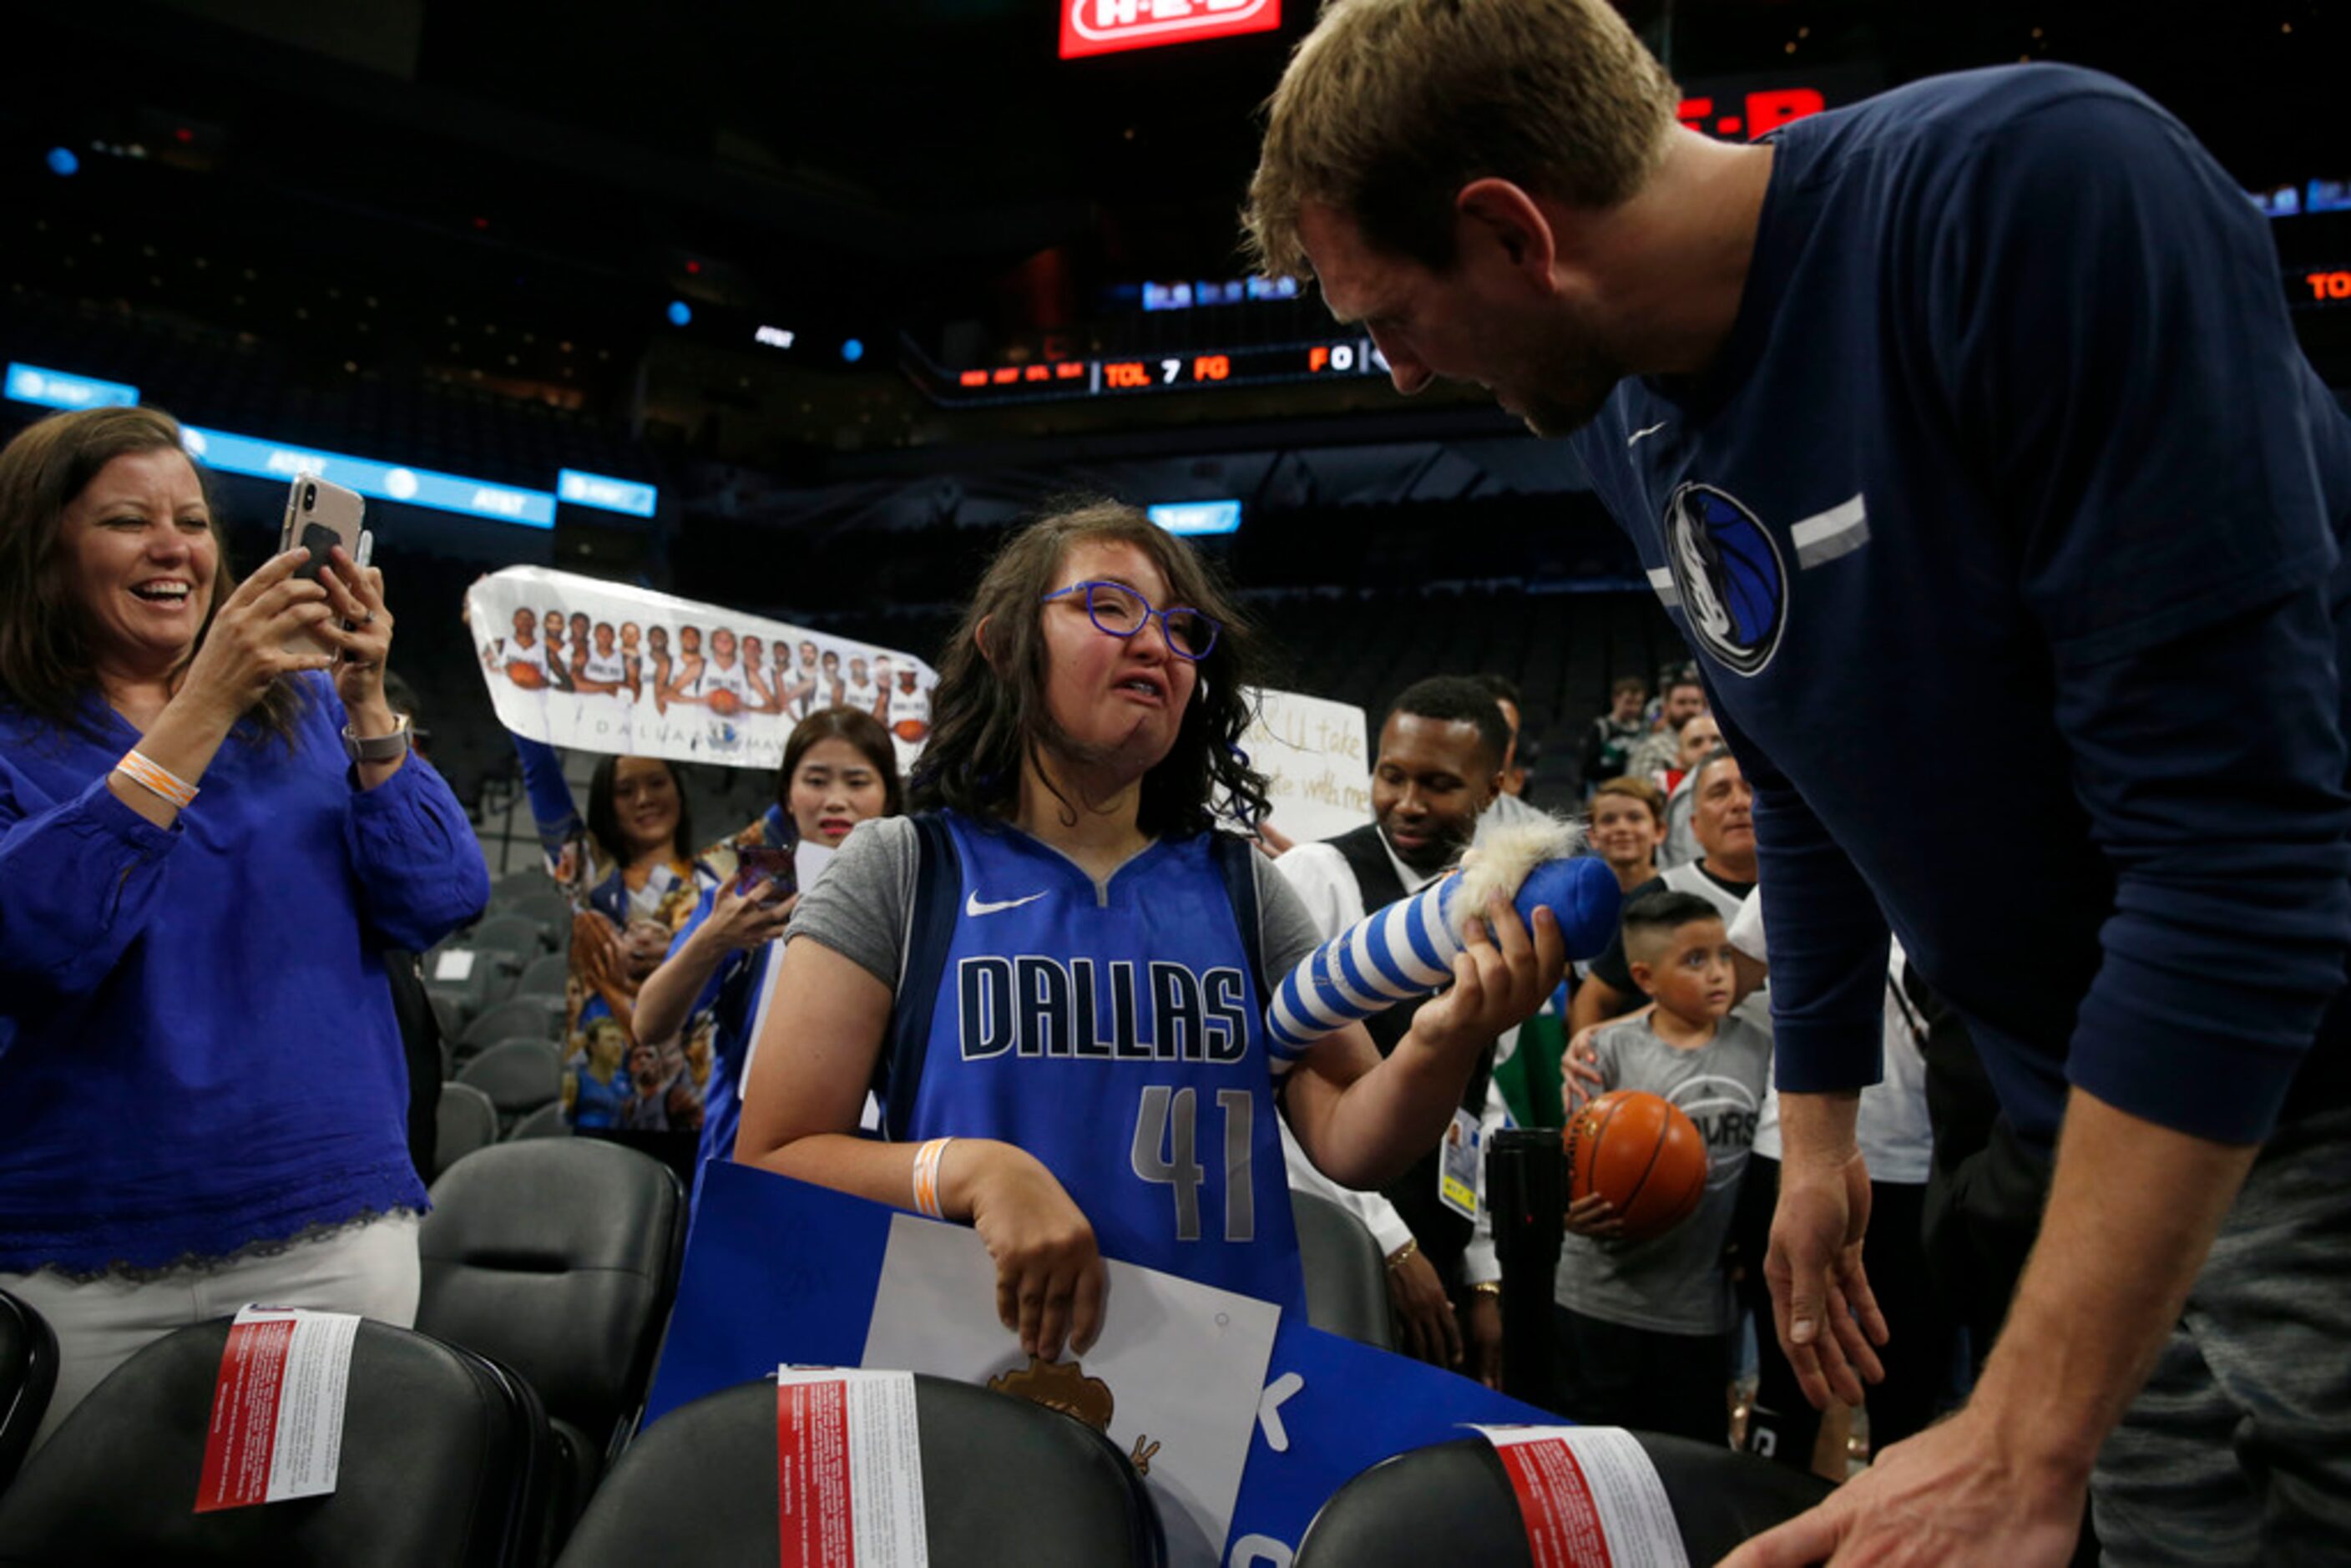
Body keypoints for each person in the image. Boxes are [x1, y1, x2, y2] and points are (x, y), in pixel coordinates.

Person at [1249, 5, 2351, 1559]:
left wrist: (2023, 1427)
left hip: (2298, 1081)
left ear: (1509, 230)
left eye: (1392, 315)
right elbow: (1803, 762)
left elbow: (2241, 868)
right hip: (2081, 1115)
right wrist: (1818, 1134)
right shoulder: (1623, 411)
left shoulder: (2030, 192)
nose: (1395, 366)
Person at [734, 500, 1565, 1363]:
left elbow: (1351, 1142)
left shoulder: (1244, 887)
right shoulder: (900, 868)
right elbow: (775, 1156)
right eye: (1109, 608)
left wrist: (1447, 1036)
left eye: (1179, 627)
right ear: (1004, 645)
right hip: (972, 1382)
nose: (1156, 644)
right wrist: (972, 1172)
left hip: (1217, 1391)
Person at [0, 405, 487, 1444]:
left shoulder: (306, 710)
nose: (175, 546)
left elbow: (440, 897)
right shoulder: (16, 732)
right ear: (42, 553)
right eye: (128, 520)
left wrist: (364, 703)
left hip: (322, 1243)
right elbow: (35, 944)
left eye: (192, 519)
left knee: (278, 1544)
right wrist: (205, 700)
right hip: (73, 1260)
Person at [1273, 675, 1517, 1381]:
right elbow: (1271, 1089)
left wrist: (1481, 1267)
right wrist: (1386, 1241)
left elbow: (1477, 1097)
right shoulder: (1317, 876)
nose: (1406, 803)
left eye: (1438, 784)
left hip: (1437, 1251)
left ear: (1493, 789)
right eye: (1391, 775)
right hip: (1332, 1249)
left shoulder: (1488, 902)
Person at [634, 706, 904, 1205]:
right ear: (788, 795)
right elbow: (648, 1023)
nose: (836, 800)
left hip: (874, 1175)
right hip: (744, 1167)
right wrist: (713, 936)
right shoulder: (751, 893)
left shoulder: (916, 899)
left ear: (889, 794)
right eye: (816, 780)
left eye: (858, 781)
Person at [1554, 890, 1769, 1445]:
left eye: (1724, 955)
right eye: (1695, 961)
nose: (1719, 973)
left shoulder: (1761, 1049)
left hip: (1699, 1306)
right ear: (1645, 978)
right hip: (1601, 1294)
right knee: (1595, 1458)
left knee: (1690, 1462)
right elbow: (1576, 1163)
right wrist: (1572, 1209)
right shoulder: (1603, 1050)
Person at [1569, 749, 1756, 1035]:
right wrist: (1589, 1069)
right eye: (1720, 792)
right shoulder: (1657, 897)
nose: (1739, 803)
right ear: (1694, 826)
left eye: (1751, 789)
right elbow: (1594, 1001)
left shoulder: (1815, 890)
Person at [1586, 776, 1667, 893]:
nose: (1621, 828)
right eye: (1608, 820)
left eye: (1635, 818)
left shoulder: (1680, 892)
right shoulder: (1576, 901)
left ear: (1659, 831)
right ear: (1593, 835)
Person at [1580, 677, 1647, 794]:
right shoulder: (1601, 727)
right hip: (1604, 791)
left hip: (1633, 792)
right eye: (1628, 702)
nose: (1634, 708)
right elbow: (1587, 769)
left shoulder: (1644, 730)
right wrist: (1623, 766)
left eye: (1638, 703)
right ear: (1615, 700)